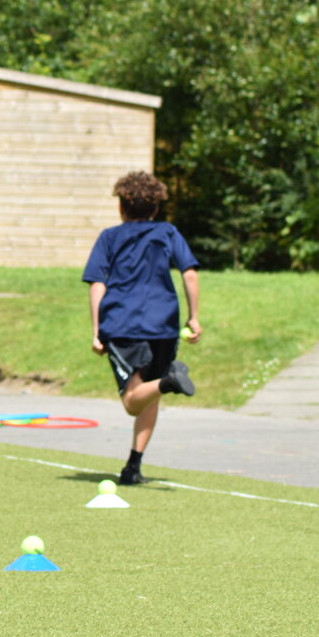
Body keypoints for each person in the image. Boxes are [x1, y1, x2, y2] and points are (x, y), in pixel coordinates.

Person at [84, 171, 200, 485]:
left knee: (133, 401)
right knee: (148, 394)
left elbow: (97, 284)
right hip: (163, 324)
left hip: (123, 323)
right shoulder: (168, 232)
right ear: (156, 208)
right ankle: (132, 467)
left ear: (122, 207)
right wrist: (194, 317)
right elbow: (189, 273)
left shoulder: (110, 237)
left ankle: (169, 381)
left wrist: (96, 330)